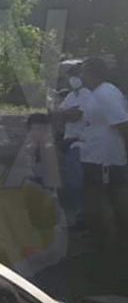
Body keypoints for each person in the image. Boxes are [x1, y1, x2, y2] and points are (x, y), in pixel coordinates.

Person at [66, 57, 128, 275]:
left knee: (106, 199)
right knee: (96, 197)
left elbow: (122, 125)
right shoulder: (96, 94)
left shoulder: (106, 94)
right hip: (94, 154)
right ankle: (102, 241)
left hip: (106, 158)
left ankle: (111, 247)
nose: (80, 76)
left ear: (93, 73)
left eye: (84, 72)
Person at [56, 70, 91, 227]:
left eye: (75, 75)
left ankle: (83, 216)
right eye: (70, 76)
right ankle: (78, 214)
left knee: (80, 182)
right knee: (71, 181)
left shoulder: (87, 94)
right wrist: (65, 113)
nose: (73, 79)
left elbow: (75, 115)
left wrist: (65, 113)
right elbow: (57, 113)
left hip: (83, 143)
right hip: (68, 141)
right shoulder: (71, 96)